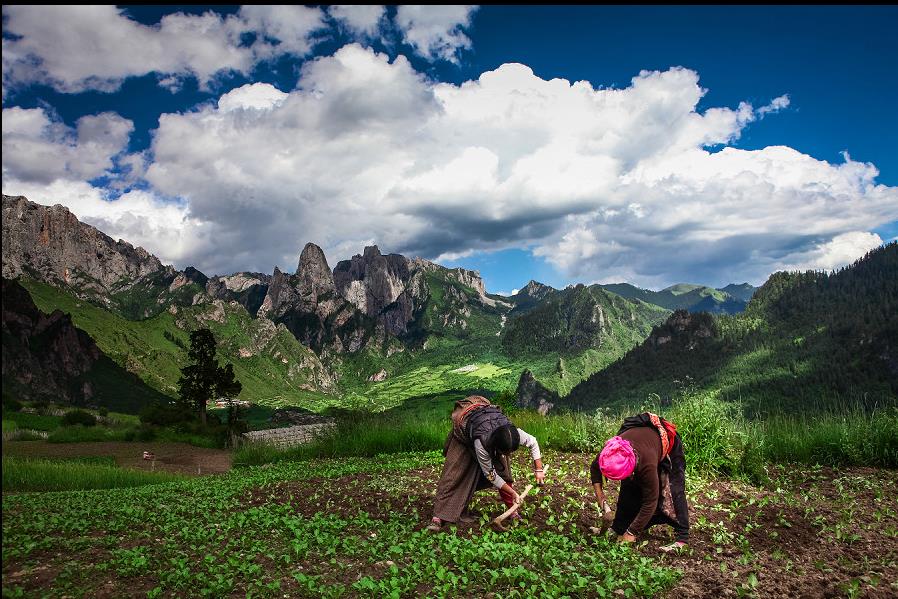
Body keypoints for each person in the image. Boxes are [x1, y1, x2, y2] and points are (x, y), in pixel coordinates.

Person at [427, 395, 544, 532]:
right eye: (506, 452)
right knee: (453, 476)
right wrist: (513, 492)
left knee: (504, 473)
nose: (509, 455)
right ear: (496, 446)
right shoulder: (481, 443)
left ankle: (513, 512)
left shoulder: (512, 433)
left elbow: (533, 442)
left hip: (488, 428)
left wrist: (539, 469)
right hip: (464, 433)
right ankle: (438, 517)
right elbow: (490, 475)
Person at [590, 412, 689, 552]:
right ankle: (618, 528)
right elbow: (594, 469)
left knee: (673, 491)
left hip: (667, 445)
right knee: (628, 488)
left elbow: (651, 501)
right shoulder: (610, 450)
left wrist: (632, 533)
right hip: (644, 445)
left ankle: (682, 539)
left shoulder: (646, 464)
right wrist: (601, 499)